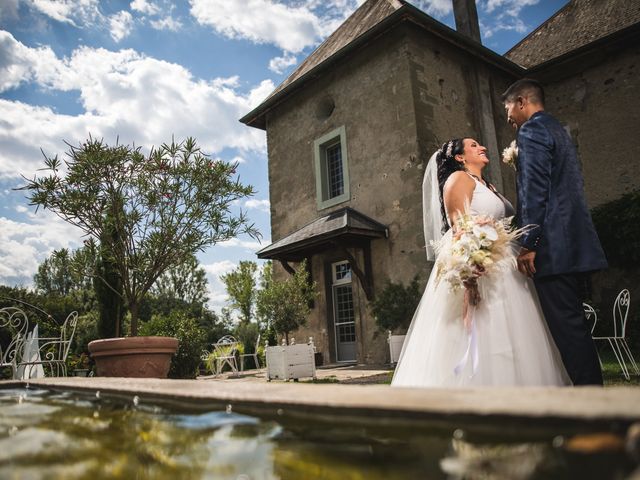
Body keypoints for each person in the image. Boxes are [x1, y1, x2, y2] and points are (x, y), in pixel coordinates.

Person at [392, 138, 570, 387]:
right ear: (460, 158)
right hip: (482, 265)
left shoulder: (487, 185)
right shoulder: (459, 179)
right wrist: (470, 276)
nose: (482, 147)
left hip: (505, 265)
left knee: (515, 332)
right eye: (474, 145)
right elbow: (460, 229)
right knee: (485, 329)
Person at [502, 78, 607, 386]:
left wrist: (529, 242)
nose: (507, 115)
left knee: (569, 331)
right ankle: (594, 397)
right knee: (575, 326)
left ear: (522, 102)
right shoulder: (557, 130)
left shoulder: (532, 131)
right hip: (572, 243)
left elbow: (535, 189)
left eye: (508, 107)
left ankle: (592, 406)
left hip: (552, 248)